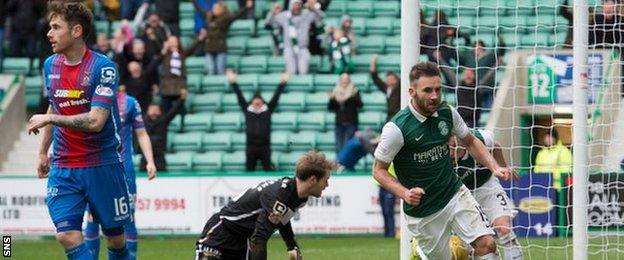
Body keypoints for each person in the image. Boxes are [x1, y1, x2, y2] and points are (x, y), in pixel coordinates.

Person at [372, 62, 512, 259]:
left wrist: (494, 167)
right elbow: (378, 170)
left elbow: (470, 141)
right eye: (428, 90)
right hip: (424, 211)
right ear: (412, 91)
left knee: (487, 245)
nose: (434, 96)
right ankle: (419, 251)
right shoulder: (396, 129)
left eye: (438, 89)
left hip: (454, 193)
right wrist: (404, 192)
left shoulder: (446, 112)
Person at [28, 2, 131, 259]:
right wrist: (43, 151)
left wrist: (50, 118)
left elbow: (96, 122)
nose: (49, 33)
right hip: (64, 166)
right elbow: (55, 103)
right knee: (66, 234)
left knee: (115, 239)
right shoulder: (50, 65)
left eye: (55, 27)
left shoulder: (103, 68)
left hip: (102, 164)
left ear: (76, 31)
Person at [194, 151, 334, 260]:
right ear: (313, 180)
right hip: (220, 234)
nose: (327, 185)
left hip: (242, 242)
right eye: (326, 180)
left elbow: (282, 218)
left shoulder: (299, 197)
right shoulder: (279, 196)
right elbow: (259, 238)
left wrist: (291, 245)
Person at [84, 85, 158, 260]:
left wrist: (150, 161)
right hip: (96, 168)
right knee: (92, 218)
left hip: (124, 169)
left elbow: (141, 133)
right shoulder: (88, 101)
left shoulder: (130, 103)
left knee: (128, 218)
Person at [449, 129, 523, 259]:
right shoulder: (440, 158)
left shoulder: (481, 138)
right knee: (478, 246)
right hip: (462, 194)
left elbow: (496, 147)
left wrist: (503, 166)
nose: (451, 151)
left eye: (453, 146)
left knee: (504, 229)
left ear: (457, 138)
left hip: (487, 185)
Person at [227, 70, 290, 171]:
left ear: (262, 102)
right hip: (250, 146)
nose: (257, 102)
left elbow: (276, 96)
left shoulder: (267, 110)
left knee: (268, 170)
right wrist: (233, 82)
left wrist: (283, 82)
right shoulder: (247, 110)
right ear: (251, 102)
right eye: (255, 101)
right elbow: (239, 96)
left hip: (265, 146)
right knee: (249, 170)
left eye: (259, 101)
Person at [192, 0, 253, 75]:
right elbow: (199, 10)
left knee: (220, 70)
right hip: (209, 48)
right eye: (213, 8)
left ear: (221, 9)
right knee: (210, 70)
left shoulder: (226, 19)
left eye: (216, 8)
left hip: (220, 48)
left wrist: (246, 8)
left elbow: (236, 15)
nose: (213, 9)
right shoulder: (208, 16)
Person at [266, 0, 325, 74]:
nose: (296, 7)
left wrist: (315, 8)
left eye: (298, 5)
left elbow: (322, 17)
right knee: (291, 72)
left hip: (303, 47)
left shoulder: (307, 14)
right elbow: (268, 23)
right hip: (289, 47)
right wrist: (272, 12)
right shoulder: (285, 16)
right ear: (291, 6)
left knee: (303, 72)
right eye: (295, 5)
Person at [159, 33, 206, 122]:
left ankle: (182, 126)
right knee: (165, 110)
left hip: (179, 87)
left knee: (181, 109)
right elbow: (157, 59)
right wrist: (164, 49)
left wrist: (199, 39)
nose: (172, 44)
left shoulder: (181, 55)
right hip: (166, 87)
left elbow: (191, 49)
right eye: (171, 42)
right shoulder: (165, 55)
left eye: (174, 42)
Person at [142, 97, 186, 171]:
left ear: (160, 111)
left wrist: (181, 99)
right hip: (145, 156)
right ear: (148, 111)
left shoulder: (163, 120)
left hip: (159, 156)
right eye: (152, 110)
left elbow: (174, 111)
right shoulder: (142, 122)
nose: (154, 112)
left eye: (156, 110)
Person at [328, 73, 363, 153]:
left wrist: (353, 96)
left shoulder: (354, 91)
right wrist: (332, 99)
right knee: (339, 146)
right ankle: (339, 164)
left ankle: (346, 164)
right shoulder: (335, 91)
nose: (344, 81)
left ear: (349, 80)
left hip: (351, 123)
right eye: (343, 80)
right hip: (339, 123)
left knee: (347, 145)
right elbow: (330, 107)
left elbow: (360, 105)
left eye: (346, 79)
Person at [370, 54, 401, 122]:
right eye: (388, 80)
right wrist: (373, 62)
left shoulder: (399, 88)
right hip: (390, 115)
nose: (390, 81)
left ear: (396, 79)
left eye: (392, 79)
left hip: (398, 115)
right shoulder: (387, 89)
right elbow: (375, 78)